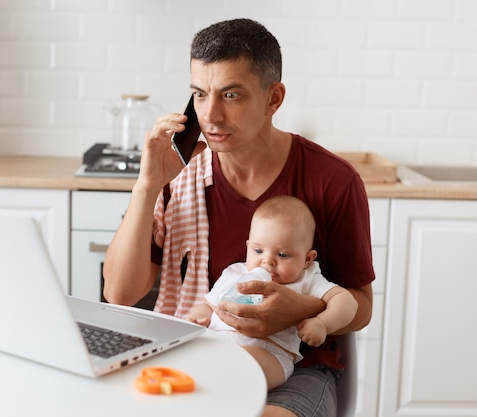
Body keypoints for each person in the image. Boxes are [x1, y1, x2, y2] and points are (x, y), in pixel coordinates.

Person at [103, 18, 374, 417]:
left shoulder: (332, 181)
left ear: (273, 98)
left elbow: (362, 306)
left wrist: (299, 311)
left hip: (296, 370)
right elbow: (119, 295)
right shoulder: (178, 175)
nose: (210, 115)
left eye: (230, 95)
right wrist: (147, 186)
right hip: (197, 353)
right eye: (199, 94)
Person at [187, 196, 358, 391]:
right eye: (258, 250)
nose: (267, 262)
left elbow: (346, 301)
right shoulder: (235, 273)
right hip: (218, 347)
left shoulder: (306, 279)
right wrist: (197, 318)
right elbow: (209, 305)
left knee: (245, 362)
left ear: (307, 259)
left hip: (269, 356)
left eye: (283, 255)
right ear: (248, 246)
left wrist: (323, 323)